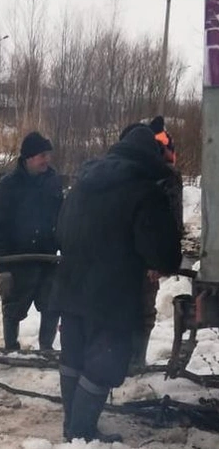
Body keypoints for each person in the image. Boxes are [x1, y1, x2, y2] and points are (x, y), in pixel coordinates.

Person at [51, 125, 182, 443]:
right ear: (150, 155)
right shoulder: (145, 190)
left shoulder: (83, 183)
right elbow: (162, 253)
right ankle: (81, 434)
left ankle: (74, 429)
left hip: (70, 285)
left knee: (73, 357)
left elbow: (60, 232)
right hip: (111, 295)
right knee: (104, 363)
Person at [0, 131, 62, 351]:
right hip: (18, 260)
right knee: (12, 308)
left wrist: (64, 249)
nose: (47, 160)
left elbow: (62, 218)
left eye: (48, 154)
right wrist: (2, 269)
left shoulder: (53, 182)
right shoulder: (8, 186)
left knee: (51, 305)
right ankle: (11, 347)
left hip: (47, 259)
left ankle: (46, 348)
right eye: (42, 155)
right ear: (29, 157)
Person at [126, 116, 184, 371]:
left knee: (136, 307)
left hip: (130, 252)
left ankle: (131, 359)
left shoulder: (135, 165)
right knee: (141, 309)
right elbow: (169, 222)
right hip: (142, 253)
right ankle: (134, 360)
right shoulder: (163, 174)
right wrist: (160, 259)